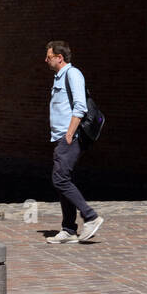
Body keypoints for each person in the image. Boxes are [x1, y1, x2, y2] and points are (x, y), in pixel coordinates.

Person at [44, 41, 104, 245]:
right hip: (62, 136)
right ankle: (69, 229)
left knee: (60, 179)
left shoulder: (73, 74)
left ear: (59, 58)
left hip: (71, 136)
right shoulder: (59, 77)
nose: (46, 59)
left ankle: (90, 216)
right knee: (62, 179)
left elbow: (79, 106)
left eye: (49, 56)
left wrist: (70, 134)